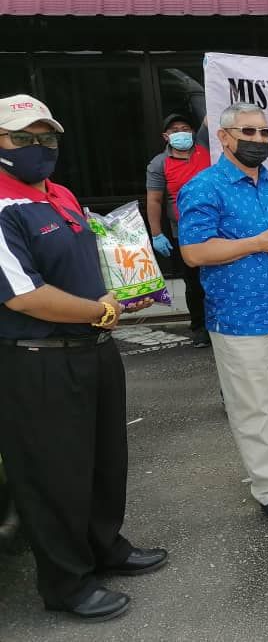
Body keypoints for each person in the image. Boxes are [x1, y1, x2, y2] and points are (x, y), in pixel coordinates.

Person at [0, 94, 166, 621]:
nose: (38, 147)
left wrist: (124, 287)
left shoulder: (61, 195)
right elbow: (22, 295)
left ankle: (104, 547)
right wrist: (97, 310)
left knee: (102, 460)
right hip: (39, 359)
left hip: (94, 349)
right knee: (53, 475)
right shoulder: (2, 208)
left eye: (46, 136)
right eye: (22, 138)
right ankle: (66, 582)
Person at [179, 102, 268, 525]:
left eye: (265, 133)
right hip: (239, 318)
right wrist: (255, 242)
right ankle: (267, 487)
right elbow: (194, 251)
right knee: (252, 407)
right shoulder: (204, 188)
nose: (258, 140)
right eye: (249, 132)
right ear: (224, 137)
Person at [145, 113, 211, 347]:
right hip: (185, 234)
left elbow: (210, 112)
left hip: (218, 229)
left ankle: (222, 324)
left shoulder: (206, 147)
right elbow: (154, 200)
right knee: (194, 284)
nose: (181, 133)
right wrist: (156, 233)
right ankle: (200, 329)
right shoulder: (159, 164)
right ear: (166, 136)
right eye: (174, 130)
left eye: (185, 128)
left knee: (221, 279)